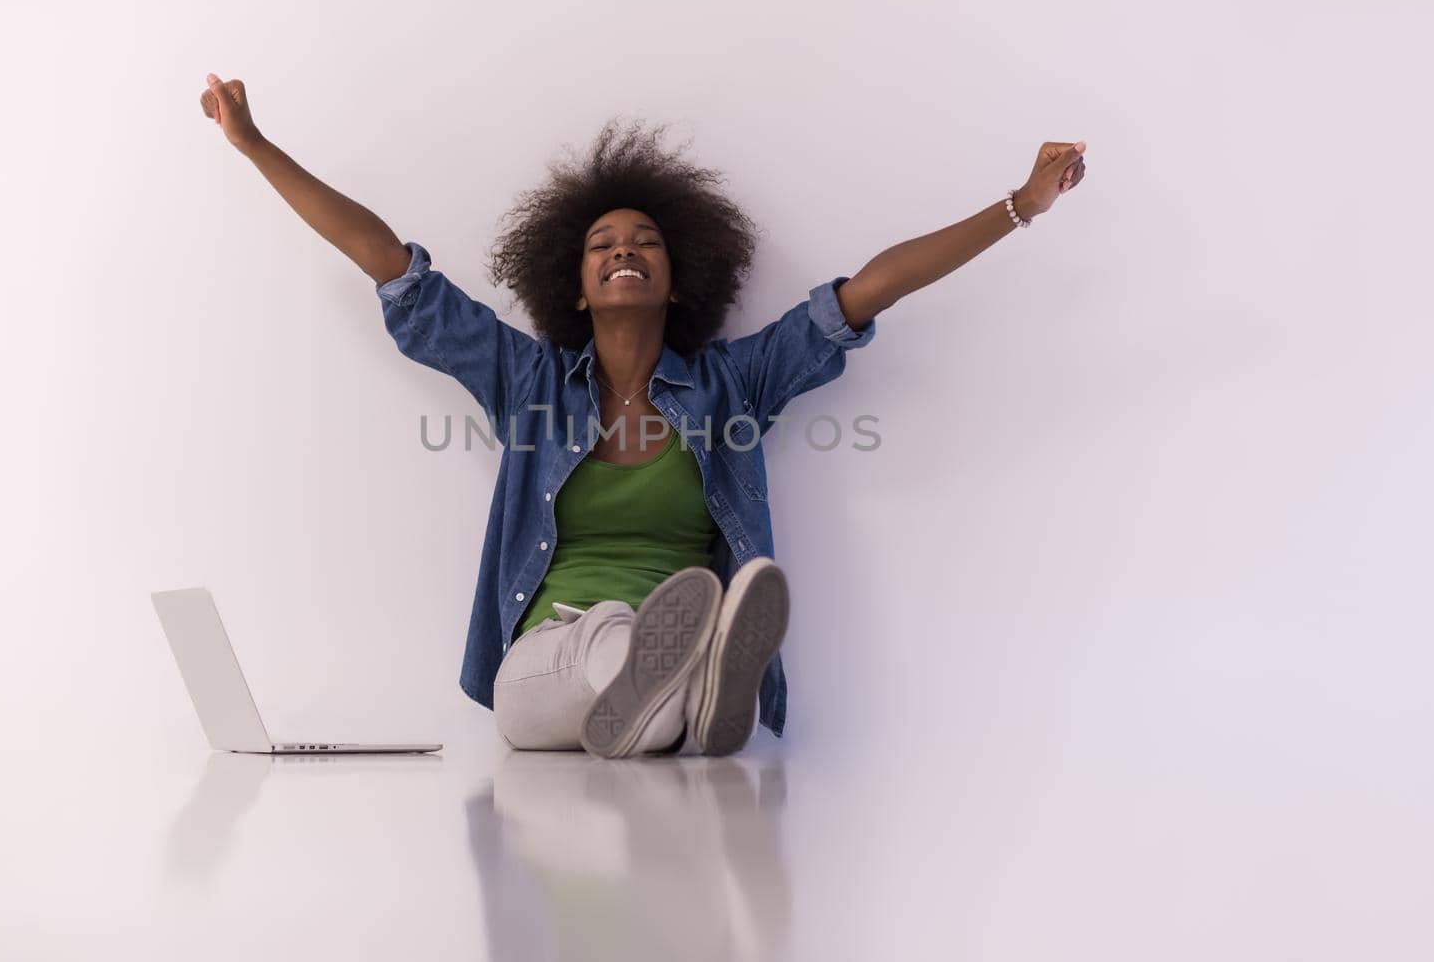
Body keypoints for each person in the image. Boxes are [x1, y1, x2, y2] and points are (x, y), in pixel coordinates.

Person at [199, 72, 1087, 758]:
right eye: (603, 245)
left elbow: (870, 288)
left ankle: (679, 690)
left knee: (639, 711)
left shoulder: (732, 385)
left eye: (646, 242)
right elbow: (388, 263)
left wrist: (1022, 205)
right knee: (606, 650)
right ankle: (691, 678)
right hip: (547, 664)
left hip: (644, 688)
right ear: (576, 290)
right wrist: (254, 143)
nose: (625, 248)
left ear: (675, 276)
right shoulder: (527, 380)